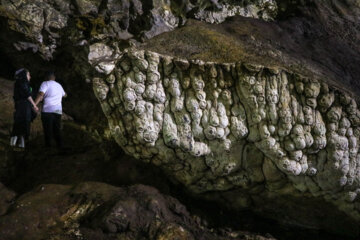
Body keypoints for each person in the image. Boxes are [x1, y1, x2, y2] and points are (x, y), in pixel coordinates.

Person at [35, 71, 66, 148]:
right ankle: (60, 146)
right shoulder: (59, 85)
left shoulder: (45, 83)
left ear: (46, 77)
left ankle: (48, 147)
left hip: (48, 110)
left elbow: (40, 94)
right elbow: (65, 95)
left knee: (47, 129)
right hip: (58, 111)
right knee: (57, 129)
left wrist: (34, 104)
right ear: (54, 78)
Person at [10, 68, 39, 148]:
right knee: (20, 125)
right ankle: (15, 144)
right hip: (23, 107)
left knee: (21, 126)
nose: (30, 76)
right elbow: (27, 95)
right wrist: (34, 105)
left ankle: (20, 145)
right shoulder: (22, 82)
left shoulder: (20, 82)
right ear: (24, 75)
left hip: (22, 106)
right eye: (28, 74)